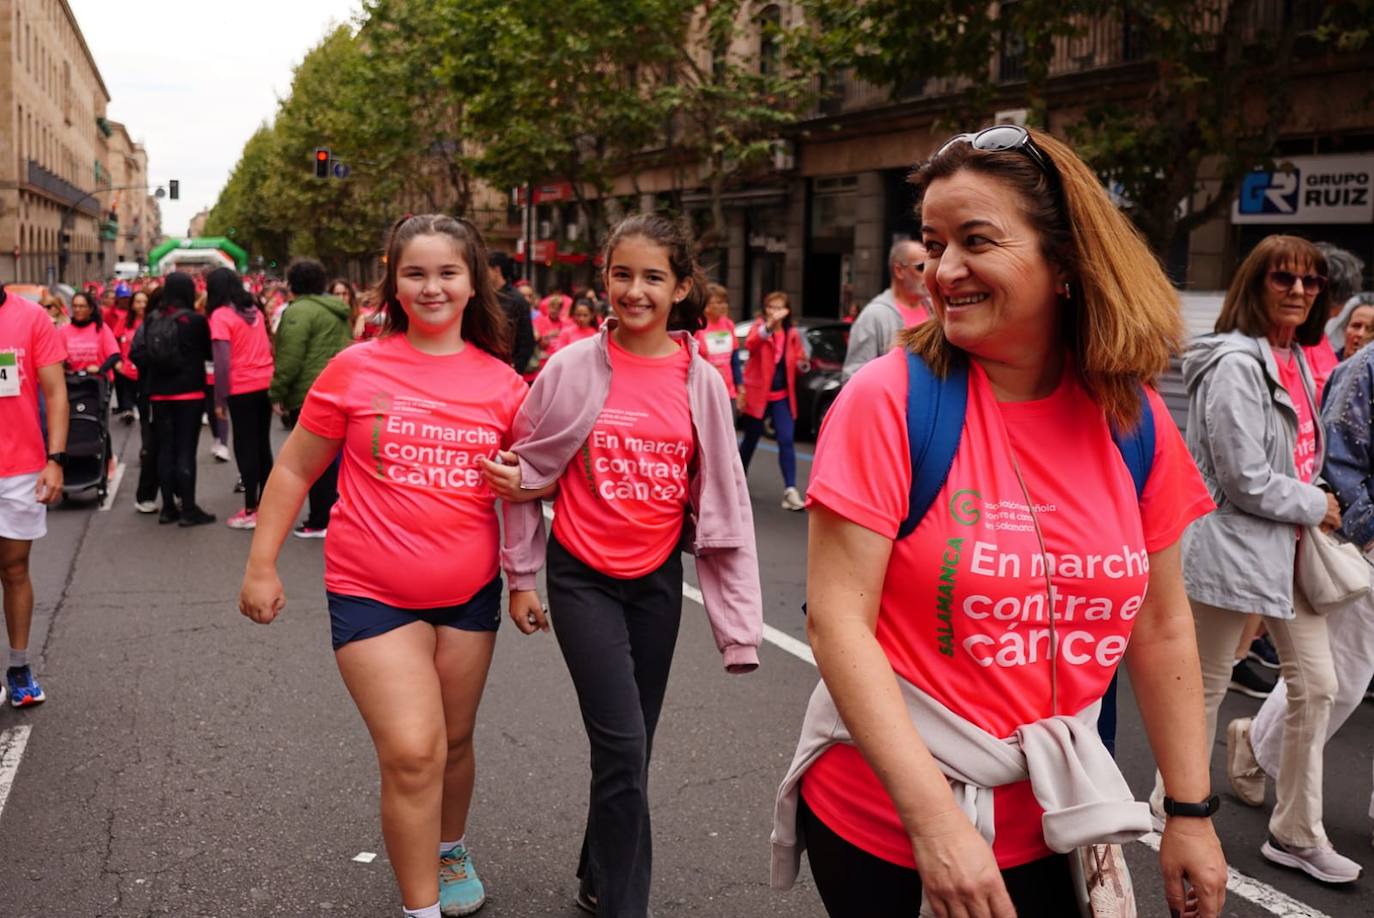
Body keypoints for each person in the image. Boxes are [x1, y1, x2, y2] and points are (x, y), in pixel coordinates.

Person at [771, 126, 1227, 918]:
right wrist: (938, 827)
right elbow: (838, 623)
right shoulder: (890, 399)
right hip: (889, 825)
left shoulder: (1134, 420)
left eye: (976, 242)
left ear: (1065, 262)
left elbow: (1160, 623)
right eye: (935, 242)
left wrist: (1189, 812)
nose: (943, 272)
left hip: (1062, 821)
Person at [240, 214, 525, 918]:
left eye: (446, 273)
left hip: (468, 595)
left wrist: (525, 505)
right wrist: (261, 565)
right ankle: (418, 910)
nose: (432, 287)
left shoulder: (503, 383)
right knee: (411, 751)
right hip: (371, 591)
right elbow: (295, 468)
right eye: (416, 273)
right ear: (393, 283)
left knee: (454, 742)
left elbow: (529, 488)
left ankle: (449, 845)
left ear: (473, 282)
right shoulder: (356, 366)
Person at [484, 213, 762, 918]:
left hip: (657, 583)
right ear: (604, 278)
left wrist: (739, 621)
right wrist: (521, 577)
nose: (634, 291)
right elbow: (521, 468)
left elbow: (725, 499)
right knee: (620, 745)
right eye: (622, 275)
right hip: (582, 579)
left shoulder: (701, 381)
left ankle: (597, 871)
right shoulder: (572, 367)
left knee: (632, 751)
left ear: (681, 287)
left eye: (653, 277)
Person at [1167, 234, 1356, 883]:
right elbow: (1242, 475)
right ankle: (1172, 814)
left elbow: (1298, 453)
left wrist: (1314, 499)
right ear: (1255, 284)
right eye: (1285, 280)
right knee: (1203, 689)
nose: (1300, 292)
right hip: (1231, 544)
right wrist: (1317, 503)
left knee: (1320, 687)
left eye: (1310, 282)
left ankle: (1296, 833)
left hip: (1290, 545)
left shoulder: (1298, 358)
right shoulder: (1235, 364)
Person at [1227, 282, 1374, 862]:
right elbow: (1338, 460)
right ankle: (1256, 744)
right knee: (1342, 679)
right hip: (1361, 543)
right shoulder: (1364, 370)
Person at [0, 284, 68, 708]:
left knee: (14, 568)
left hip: (21, 469)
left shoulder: (31, 317)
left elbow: (56, 393)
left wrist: (55, 458)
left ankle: (19, 667)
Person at [268, 259, 352, 537]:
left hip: (310, 392)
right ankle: (333, 513)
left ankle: (320, 519)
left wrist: (277, 391)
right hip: (341, 388)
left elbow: (290, 357)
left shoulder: (298, 312)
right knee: (334, 461)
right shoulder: (336, 310)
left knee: (311, 462)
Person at [132, 273, 216, 527]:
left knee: (165, 450)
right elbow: (208, 353)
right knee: (186, 451)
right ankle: (188, 508)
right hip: (189, 393)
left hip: (159, 394)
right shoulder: (195, 321)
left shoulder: (152, 319)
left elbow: (138, 353)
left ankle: (167, 508)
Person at [207, 268, 276, 531]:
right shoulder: (255, 312)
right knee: (262, 445)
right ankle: (268, 505)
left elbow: (222, 363)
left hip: (240, 387)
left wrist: (219, 399)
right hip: (264, 382)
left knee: (244, 446)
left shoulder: (220, 316)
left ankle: (251, 508)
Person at [739, 291, 808, 512]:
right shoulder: (760, 328)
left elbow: (798, 359)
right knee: (751, 438)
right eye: (771, 307)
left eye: (779, 307)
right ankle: (735, 484)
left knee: (787, 439)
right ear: (765, 309)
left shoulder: (792, 333)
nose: (774, 311)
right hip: (758, 393)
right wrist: (768, 326)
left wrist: (802, 364)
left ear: (787, 310)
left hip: (781, 395)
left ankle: (790, 490)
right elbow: (751, 344)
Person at [840, 240, 931, 382]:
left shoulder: (936, 310)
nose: (928, 273)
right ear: (899, 271)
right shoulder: (873, 316)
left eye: (930, 266)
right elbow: (853, 378)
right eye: (921, 267)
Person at [125, 288, 161, 513]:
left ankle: (173, 492)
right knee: (154, 445)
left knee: (167, 446)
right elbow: (135, 354)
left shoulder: (180, 322)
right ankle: (147, 495)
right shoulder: (147, 326)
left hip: (160, 393)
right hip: (152, 393)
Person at [485, 251, 536, 374]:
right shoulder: (480, 296)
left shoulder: (517, 300)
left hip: (504, 367)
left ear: (496, 270)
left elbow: (527, 341)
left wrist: (515, 369)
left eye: (485, 269)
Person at [694, 283, 741, 400]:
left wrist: (740, 386)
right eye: (719, 302)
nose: (724, 306)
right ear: (706, 306)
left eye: (725, 302)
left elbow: (734, 359)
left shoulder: (728, 324)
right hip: (705, 390)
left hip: (728, 389)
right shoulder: (697, 326)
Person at [58, 291, 121, 376]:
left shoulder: (101, 328)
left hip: (97, 381)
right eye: (75, 306)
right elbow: (57, 357)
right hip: (72, 382)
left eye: (81, 306)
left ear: (90, 309)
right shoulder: (63, 331)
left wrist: (100, 369)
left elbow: (115, 355)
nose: (77, 309)